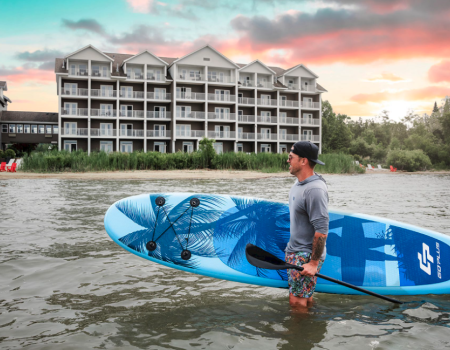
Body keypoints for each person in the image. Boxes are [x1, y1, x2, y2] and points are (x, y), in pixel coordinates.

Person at [285, 141, 329, 309]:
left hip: (305, 256)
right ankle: (310, 330)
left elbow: (322, 230)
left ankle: (300, 334)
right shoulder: (299, 184)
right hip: (297, 252)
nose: (288, 161)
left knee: (297, 303)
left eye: (291, 157)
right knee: (303, 300)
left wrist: (313, 263)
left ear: (303, 161)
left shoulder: (314, 189)